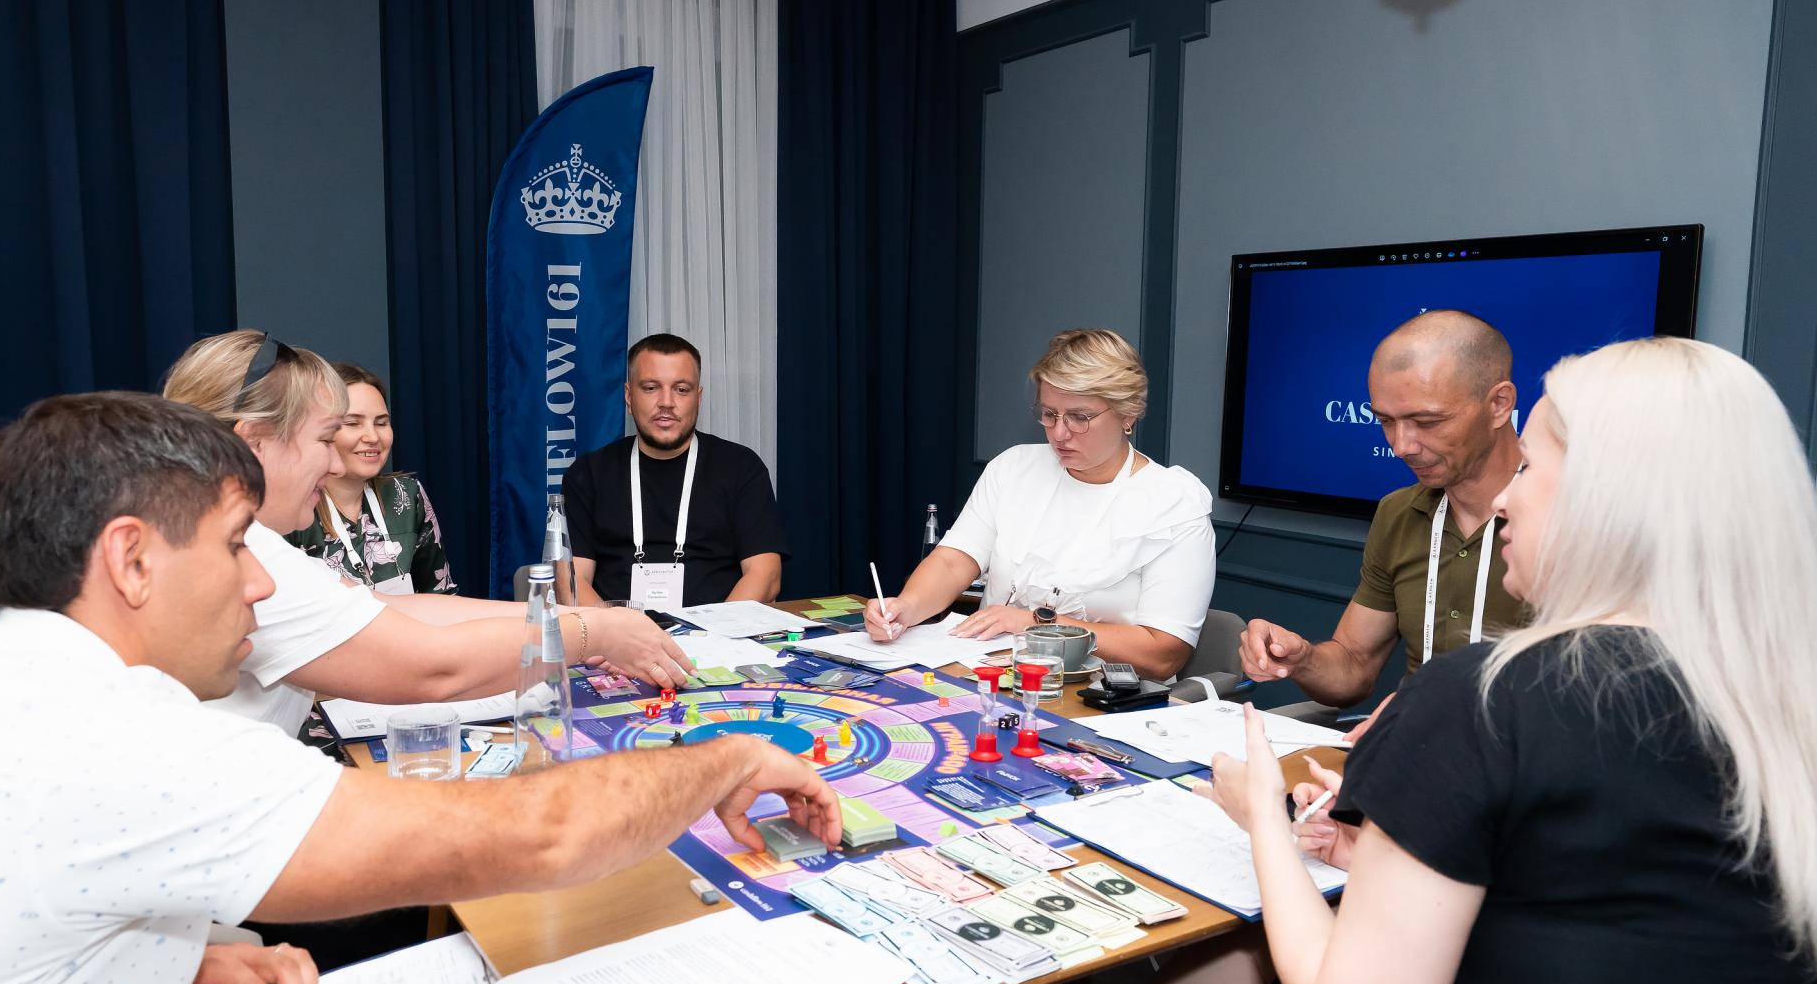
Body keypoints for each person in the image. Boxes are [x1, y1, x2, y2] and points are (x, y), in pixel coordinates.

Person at [0, 391, 841, 984]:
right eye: (236, 546)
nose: (260, 586)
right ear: (131, 559)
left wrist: (152, 970)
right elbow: (545, 834)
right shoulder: (118, 734)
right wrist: (727, 759)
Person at [981, 338, 1817, 984]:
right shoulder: (1774, 694)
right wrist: (1390, 838)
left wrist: (1263, 818)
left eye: (1534, 468)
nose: (1509, 500)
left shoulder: (1486, 697)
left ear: (1611, 503)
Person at [161, 331, 692, 734]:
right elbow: (433, 669)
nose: (335, 462)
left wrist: (585, 619)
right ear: (254, 443)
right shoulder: (234, 558)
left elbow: (396, 608)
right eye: (325, 439)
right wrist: (592, 635)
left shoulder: (234, 537)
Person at [866, 328, 1213, 680]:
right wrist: (907, 608)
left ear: (1128, 414)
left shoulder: (1174, 503)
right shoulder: (1014, 467)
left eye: (1080, 417)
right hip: (992, 677)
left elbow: (1163, 653)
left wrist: (1034, 625)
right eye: (1049, 414)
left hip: (1102, 695)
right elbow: (953, 562)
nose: (1059, 433)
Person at [1239, 309, 1526, 712]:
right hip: (1413, 742)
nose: (1402, 446)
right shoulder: (1399, 513)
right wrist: (1302, 658)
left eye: (1427, 421)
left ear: (1499, 404)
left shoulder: (1579, 519)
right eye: (1386, 421)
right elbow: (1354, 665)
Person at [562, 334, 787, 607]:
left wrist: (717, 629)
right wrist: (615, 628)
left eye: (681, 389)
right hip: (614, 630)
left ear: (698, 398)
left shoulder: (741, 467)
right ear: (629, 397)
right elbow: (572, 581)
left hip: (719, 630)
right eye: (651, 388)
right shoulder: (588, 474)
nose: (666, 402)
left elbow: (765, 575)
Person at [285, 360, 456, 596]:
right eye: (353, 423)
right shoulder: (292, 508)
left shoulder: (405, 496)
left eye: (381, 423)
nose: (373, 436)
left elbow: (439, 593)